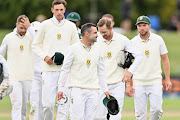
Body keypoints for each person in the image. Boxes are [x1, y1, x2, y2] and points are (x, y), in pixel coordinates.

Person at [32, 0, 79, 120]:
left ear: (64, 10)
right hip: (48, 70)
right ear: (52, 10)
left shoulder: (70, 26)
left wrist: (68, 58)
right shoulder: (45, 25)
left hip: (65, 71)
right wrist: (45, 57)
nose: (59, 12)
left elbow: (76, 46)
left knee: (63, 104)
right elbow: (35, 45)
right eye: (56, 10)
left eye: (61, 10)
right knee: (47, 105)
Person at [57, 23, 110, 120]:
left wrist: (105, 89)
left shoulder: (98, 49)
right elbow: (65, 70)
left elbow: (101, 71)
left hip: (93, 90)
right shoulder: (73, 49)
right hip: (77, 89)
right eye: (95, 33)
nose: (97, 35)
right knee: (77, 118)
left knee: (90, 117)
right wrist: (60, 89)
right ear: (86, 34)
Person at [95, 18, 142, 120]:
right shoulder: (96, 40)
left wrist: (130, 72)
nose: (101, 34)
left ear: (111, 28)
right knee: (99, 117)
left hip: (117, 84)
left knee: (115, 115)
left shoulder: (122, 39)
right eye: (100, 32)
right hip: (100, 84)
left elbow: (139, 56)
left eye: (104, 32)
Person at [126, 15, 172, 120]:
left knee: (157, 110)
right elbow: (128, 64)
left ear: (149, 26)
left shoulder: (158, 39)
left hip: (155, 81)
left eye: (144, 25)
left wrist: (168, 79)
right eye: (139, 26)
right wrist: (128, 84)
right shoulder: (132, 42)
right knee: (140, 114)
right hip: (139, 82)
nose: (142, 28)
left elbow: (165, 59)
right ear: (137, 27)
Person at [0, 15, 34, 120]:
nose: (23, 30)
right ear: (16, 25)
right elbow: (0, 54)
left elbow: (40, 42)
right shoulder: (9, 37)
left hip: (28, 77)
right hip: (13, 77)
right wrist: (5, 72)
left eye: (25, 28)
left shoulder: (31, 36)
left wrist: (30, 28)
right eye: (21, 28)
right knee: (16, 105)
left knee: (24, 107)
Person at [21, 17, 44, 120]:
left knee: (45, 103)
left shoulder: (42, 41)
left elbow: (37, 40)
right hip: (33, 75)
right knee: (34, 102)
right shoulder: (26, 41)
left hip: (45, 74)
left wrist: (29, 27)